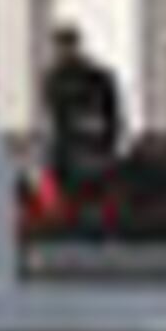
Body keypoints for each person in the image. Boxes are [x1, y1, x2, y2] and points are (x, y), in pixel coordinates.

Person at [41, 16, 127, 199]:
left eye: (66, 46)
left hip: (92, 150)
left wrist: (107, 145)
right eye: (59, 47)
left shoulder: (98, 77)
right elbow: (55, 117)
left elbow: (112, 115)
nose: (62, 52)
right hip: (69, 151)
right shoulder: (53, 78)